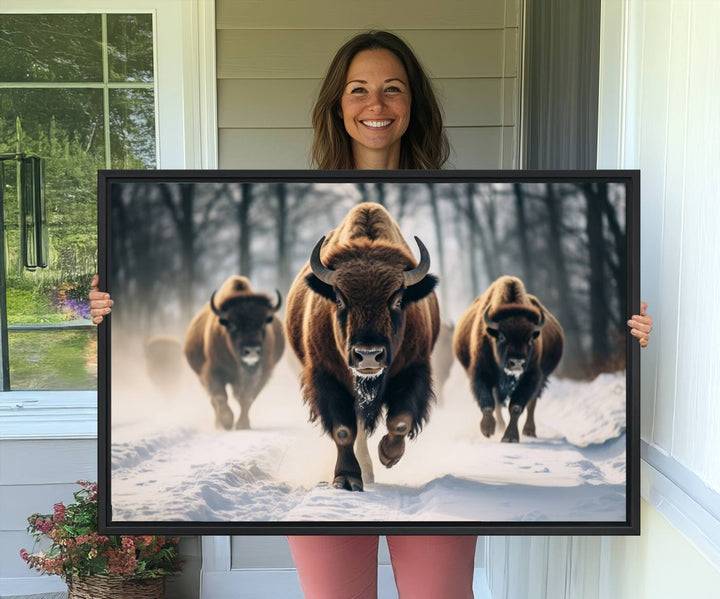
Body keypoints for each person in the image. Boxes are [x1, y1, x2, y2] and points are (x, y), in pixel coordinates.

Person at [89, 30, 653, 599]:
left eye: (393, 89)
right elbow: (315, 364)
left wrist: (633, 333)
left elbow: (420, 361)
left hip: (405, 397)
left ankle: (397, 425)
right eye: (358, 90)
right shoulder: (312, 261)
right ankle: (345, 439)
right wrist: (106, 310)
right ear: (338, 104)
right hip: (336, 396)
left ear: (414, 105)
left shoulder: (433, 246)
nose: (376, 105)